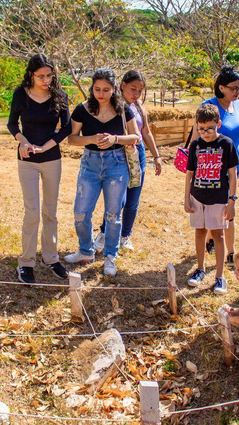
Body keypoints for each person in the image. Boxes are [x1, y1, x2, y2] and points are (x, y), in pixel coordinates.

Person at [64, 69, 140, 276]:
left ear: (114, 89)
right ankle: (86, 250)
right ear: (92, 88)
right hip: (90, 163)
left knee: (113, 215)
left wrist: (115, 139)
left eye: (106, 89)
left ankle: (110, 256)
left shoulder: (123, 109)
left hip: (116, 164)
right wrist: (91, 138)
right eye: (97, 89)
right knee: (81, 212)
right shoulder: (82, 109)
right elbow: (71, 139)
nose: (101, 93)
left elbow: (136, 137)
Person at [7, 54, 72, 284]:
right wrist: (22, 141)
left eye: (49, 75)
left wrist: (48, 145)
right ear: (31, 74)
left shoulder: (59, 95)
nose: (46, 80)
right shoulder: (20, 94)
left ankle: (51, 258)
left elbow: (66, 127)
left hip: (52, 158)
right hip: (27, 161)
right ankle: (26, 262)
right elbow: (12, 123)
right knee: (32, 212)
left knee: (50, 212)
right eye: (41, 76)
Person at [93, 70, 162, 252]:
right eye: (133, 89)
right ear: (122, 85)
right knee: (117, 200)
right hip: (118, 153)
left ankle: (125, 236)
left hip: (137, 153)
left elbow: (145, 132)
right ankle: (104, 233)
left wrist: (156, 156)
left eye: (140, 90)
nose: (136, 94)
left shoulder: (139, 106)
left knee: (133, 199)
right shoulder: (113, 104)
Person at [199, 66, 239, 265]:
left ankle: (230, 251)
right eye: (233, 88)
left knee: (229, 208)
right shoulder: (209, 106)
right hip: (211, 168)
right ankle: (212, 241)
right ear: (221, 87)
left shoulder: (238, 106)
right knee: (213, 208)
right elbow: (198, 137)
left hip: (233, 167)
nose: (237, 92)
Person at [184, 103, 238, 294]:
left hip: (218, 199)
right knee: (200, 231)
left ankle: (220, 276)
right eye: (201, 129)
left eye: (210, 128)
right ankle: (200, 268)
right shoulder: (196, 145)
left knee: (218, 235)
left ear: (219, 124)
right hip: (198, 197)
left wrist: (232, 201)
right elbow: (190, 173)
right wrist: (186, 198)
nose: (205, 133)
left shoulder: (226, 144)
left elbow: (233, 175)